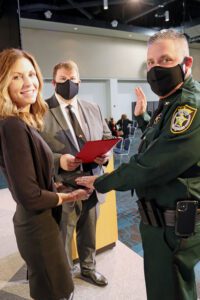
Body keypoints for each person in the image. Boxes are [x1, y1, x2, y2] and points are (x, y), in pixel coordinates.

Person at [76, 29, 200, 300]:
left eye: (165, 60)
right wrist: (143, 118)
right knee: (161, 288)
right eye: (151, 62)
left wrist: (101, 181)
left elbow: (152, 165)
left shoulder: (190, 107)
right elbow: (160, 144)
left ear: (186, 63)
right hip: (159, 221)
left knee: (171, 292)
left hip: (174, 226)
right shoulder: (170, 103)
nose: (156, 69)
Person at [0, 48, 91, 300]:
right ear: (3, 82)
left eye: (31, 74)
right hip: (37, 225)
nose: (28, 82)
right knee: (57, 290)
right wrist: (68, 198)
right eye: (17, 76)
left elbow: (29, 174)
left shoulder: (20, 120)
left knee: (53, 287)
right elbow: (29, 196)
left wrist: (55, 187)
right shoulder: (12, 126)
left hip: (41, 221)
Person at [40, 60, 111, 287]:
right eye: (63, 79)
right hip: (63, 186)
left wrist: (105, 156)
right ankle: (63, 277)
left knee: (89, 231)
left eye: (73, 79)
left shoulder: (93, 108)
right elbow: (34, 152)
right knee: (63, 234)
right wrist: (59, 161)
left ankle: (88, 268)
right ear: (54, 82)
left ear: (80, 81)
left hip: (92, 183)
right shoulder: (40, 111)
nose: (69, 83)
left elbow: (106, 137)